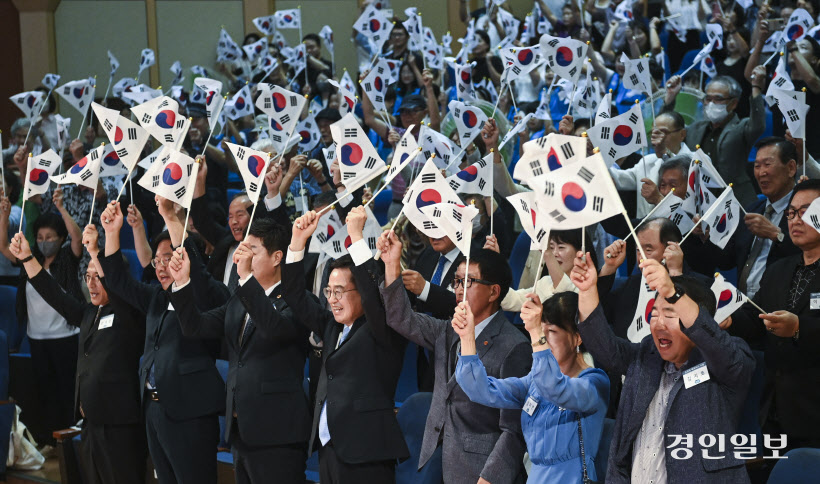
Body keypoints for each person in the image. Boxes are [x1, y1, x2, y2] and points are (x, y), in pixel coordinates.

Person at [572, 252, 755, 483]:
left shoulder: (728, 358)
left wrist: (673, 293)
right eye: (654, 313)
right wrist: (587, 290)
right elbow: (605, 347)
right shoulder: (647, 354)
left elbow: (719, 348)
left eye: (670, 314)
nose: (657, 323)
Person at [378, 229, 531, 484]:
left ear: (494, 292)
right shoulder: (448, 329)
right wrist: (392, 263)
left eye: (467, 282)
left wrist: (491, 477)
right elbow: (400, 317)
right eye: (457, 281)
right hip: (438, 457)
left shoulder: (515, 346)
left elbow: (513, 430)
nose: (458, 289)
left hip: (483, 470)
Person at [167, 218, 310, 484]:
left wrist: (245, 279)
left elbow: (273, 327)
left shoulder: (298, 301)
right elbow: (195, 326)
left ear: (277, 257)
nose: (242, 255)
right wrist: (183, 284)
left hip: (278, 434)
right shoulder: (239, 301)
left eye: (252, 250)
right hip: (241, 431)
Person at [98, 200, 229, 484]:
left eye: (168, 258)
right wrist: (110, 233)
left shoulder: (208, 294)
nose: (161, 266)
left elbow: (200, 278)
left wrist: (169, 216)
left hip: (190, 412)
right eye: (157, 260)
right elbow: (120, 282)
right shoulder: (157, 297)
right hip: (154, 408)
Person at [9, 225, 146, 484]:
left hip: (118, 426)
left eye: (98, 277)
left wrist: (95, 251)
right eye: (88, 276)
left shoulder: (129, 314)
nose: (91, 283)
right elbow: (53, 294)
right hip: (90, 423)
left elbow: (118, 283)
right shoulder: (89, 314)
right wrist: (28, 258)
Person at [285, 207, 409, 483]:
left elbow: (374, 293)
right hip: (330, 450)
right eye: (329, 291)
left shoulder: (383, 327)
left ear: (362, 293)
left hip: (366, 455)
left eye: (339, 291)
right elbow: (294, 295)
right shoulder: (332, 326)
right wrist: (297, 242)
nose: (332, 299)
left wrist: (356, 236)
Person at [454, 291, 609, 483]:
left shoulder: (594, 382)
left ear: (577, 338)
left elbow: (556, 388)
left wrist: (535, 332)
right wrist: (467, 337)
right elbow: (481, 389)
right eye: (541, 331)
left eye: (550, 332)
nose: (542, 340)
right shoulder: (533, 382)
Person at [727, 179, 820, 451]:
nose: (794, 220)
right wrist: (730, 320)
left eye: (805, 212)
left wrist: (799, 328)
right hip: (775, 409)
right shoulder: (779, 268)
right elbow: (756, 321)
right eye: (791, 213)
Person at [14, 209, 83, 443]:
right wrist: (4, 215)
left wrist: (62, 209)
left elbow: (77, 238)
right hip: (37, 338)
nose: (44, 242)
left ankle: (71, 441)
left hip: (65, 337)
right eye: (40, 237)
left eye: (50, 237)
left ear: (61, 239)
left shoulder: (66, 260)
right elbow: (5, 247)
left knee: (67, 392)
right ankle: (49, 441)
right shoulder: (30, 260)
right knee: (45, 392)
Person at [715, 137, 801, 297]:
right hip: (745, 306)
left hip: (784, 307)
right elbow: (726, 261)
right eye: (757, 166)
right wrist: (707, 235)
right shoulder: (753, 209)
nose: (761, 172)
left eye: (768, 164)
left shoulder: (805, 208)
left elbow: (809, 253)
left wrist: (776, 235)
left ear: (791, 168)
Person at [666, 74, 764, 205]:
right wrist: (670, 98)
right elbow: (666, 130)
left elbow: (758, 125)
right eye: (708, 98)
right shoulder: (695, 129)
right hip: (701, 201)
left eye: (718, 99)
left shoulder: (741, 127)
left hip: (736, 200)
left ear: (733, 103)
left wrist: (756, 88)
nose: (711, 103)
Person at [609, 111, 691, 218]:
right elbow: (618, 179)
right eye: (653, 133)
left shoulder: (697, 159)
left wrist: (665, 153)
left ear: (682, 134)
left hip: (681, 229)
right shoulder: (648, 161)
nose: (656, 138)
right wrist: (595, 155)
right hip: (646, 229)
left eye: (663, 133)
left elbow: (684, 167)